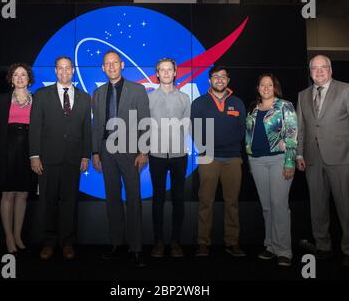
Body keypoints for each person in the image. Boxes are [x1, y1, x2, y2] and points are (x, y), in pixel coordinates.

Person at [296, 55, 349, 267]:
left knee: (345, 206)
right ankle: (323, 246)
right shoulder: (302, 95)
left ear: (331, 70)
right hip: (312, 158)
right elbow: (301, 128)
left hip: (343, 157)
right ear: (310, 72)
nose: (319, 72)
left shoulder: (348, 90)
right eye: (314, 68)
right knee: (317, 206)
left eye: (323, 68)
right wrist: (299, 154)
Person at [29, 56, 92, 260]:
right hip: (47, 158)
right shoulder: (41, 95)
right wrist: (35, 156)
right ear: (55, 71)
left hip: (73, 159)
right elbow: (35, 127)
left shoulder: (84, 97)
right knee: (48, 201)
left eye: (68, 68)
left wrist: (86, 155)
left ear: (73, 71)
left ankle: (67, 243)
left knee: (69, 202)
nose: (64, 72)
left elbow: (86, 130)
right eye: (60, 68)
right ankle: (48, 242)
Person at [91, 50, 150, 267]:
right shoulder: (97, 93)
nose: (111, 66)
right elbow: (96, 124)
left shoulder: (137, 89)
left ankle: (136, 248)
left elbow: (145, 121)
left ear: (122, 65)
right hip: (106, 152)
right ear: (103, 68)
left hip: (131, 152)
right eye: (107, 64)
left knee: (133, 199)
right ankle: (117, 244)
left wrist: (144, 151)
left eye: (115, 63)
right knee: (112, 199)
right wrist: (95, 152)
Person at [190, 65, 246, 257]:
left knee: (232, 203)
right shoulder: (199, 102)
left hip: (232, 159)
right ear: (209, 80)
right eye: (216, 76)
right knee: (206, 202)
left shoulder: (238, 103)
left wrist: (227, 144)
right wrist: (205, 148)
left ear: (228, 80)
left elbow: (242, 130)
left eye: (223, 77)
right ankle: (203, 243)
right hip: (208, 158)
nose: (219, 80)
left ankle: (232, 243)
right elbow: (194, 129)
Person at [245, 73, 298, 267]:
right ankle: (271, 246)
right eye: (262, 85)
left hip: (279, 160)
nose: (266, 88)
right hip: (257, 162)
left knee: (279, 205)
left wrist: (290, 161)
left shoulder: (285, 106)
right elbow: (249, 136)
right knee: (266, 207)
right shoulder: (252, 108)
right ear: (258, 88)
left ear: (275, 87)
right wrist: (250, 161)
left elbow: (292, 135)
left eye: (269, 85)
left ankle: (284, 250)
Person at [0, 63, 37, 254]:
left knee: (23, 194)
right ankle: (8, 237)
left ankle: (18, 235)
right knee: (8, 194)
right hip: (7, 150)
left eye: (23, 75)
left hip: (28, 151)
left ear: (29, 79)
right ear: (11, 79)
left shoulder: (36, 100)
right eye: (16, 75)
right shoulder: (2, 100)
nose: (20, 78)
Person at [148, 58, 190, 258]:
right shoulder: (148, 98)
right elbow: (144, 127)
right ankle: (158, 242)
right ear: (157, 73)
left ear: (175, 73)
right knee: (158, 199)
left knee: (178, 200)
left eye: (169, 70)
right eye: (162, 70)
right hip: (156, 155)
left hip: (179, 155)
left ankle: (175, 242)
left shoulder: (184, 99)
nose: (165, 73)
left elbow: (187, 126)